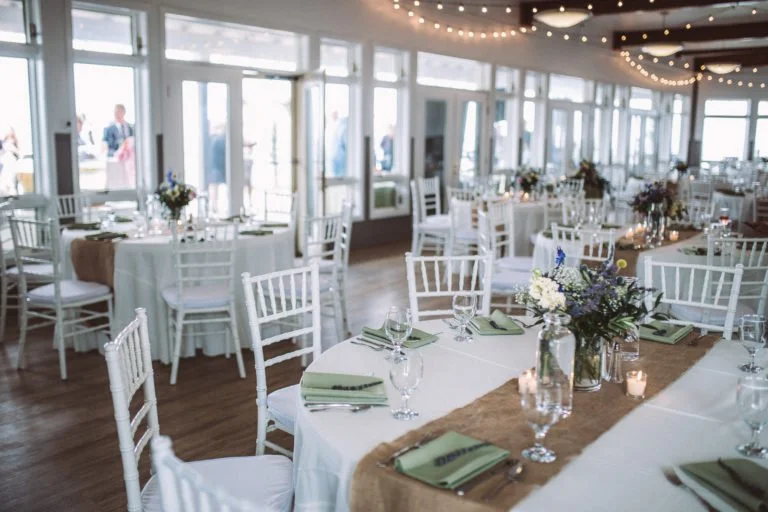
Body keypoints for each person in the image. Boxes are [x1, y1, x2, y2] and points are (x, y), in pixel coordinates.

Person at [207, 124, 227, 214]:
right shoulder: (219, 140)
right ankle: (214, 207)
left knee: (215, 187)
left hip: (217, 167)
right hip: (217, 167)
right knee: (214, 187)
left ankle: (214, 207)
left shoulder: (216, 140)